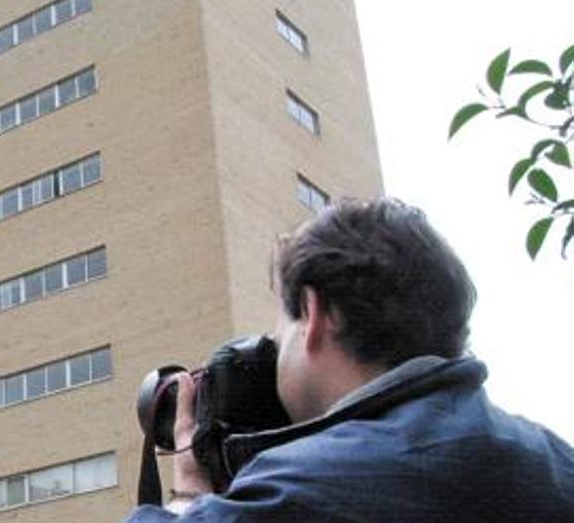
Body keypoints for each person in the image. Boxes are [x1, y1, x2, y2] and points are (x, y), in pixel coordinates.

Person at [123, 198, 574, 522]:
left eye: (279, 333)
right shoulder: (555, 462)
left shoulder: (305, 483)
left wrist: (188, 493)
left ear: (314, 315)